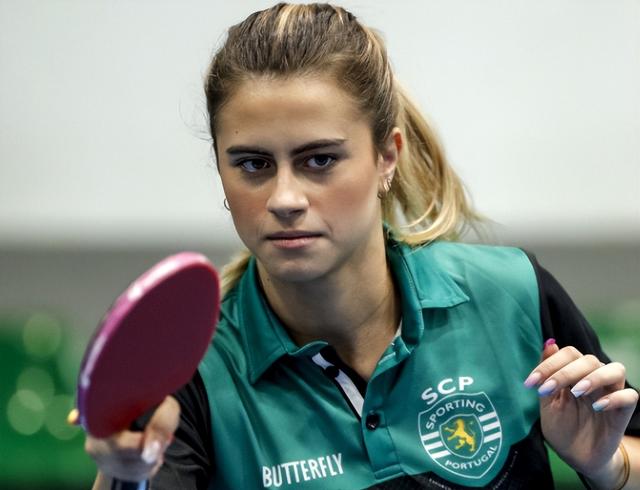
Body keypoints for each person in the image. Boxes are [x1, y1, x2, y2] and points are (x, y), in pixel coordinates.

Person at [84, 3, 639, 489]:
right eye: (253, 164)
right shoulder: (193, 371)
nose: (284, 198)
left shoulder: (510, 292)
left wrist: (608, 466)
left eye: (319, 159)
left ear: (386, 156)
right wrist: (125, 472)